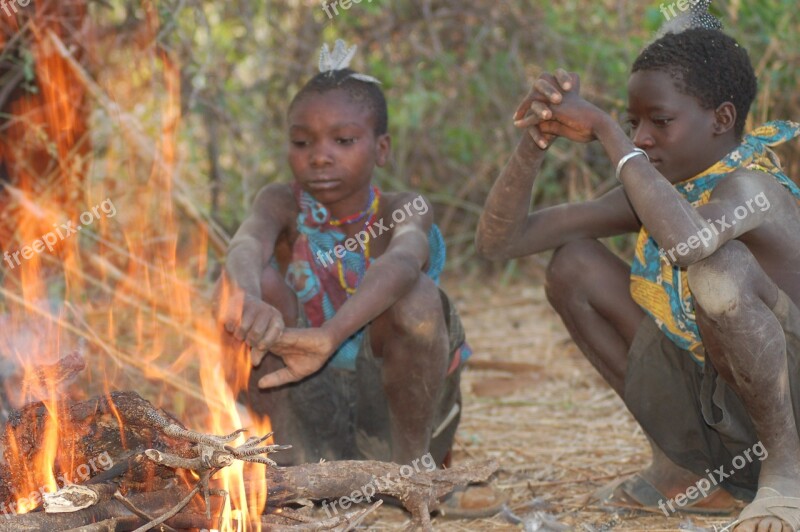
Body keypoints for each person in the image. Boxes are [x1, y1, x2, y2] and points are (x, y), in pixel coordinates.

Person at [475, 16, 800, 532]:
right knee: (574, 264)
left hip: (791, 410)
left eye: (660, 122)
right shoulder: (661, 194)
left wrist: (605, 130)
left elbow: (689, 243)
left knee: (720, 266)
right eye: (632, 124)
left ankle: (787, 477)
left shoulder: (752, 189)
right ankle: (683, 470)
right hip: (729, 413)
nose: (642, 138)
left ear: (722, 118)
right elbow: (499, 242)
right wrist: (534, 142)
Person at [214, 40, 471, 471]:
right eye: (302, 142)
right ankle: (294, 470)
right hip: (306, 404)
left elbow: (403, 262)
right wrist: (246, 297)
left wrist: (330, 335)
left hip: (393, 413)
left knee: (417, 298)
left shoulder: (403, 208)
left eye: (343, 140)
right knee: (238, 290)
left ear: (381, 149)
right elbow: (245, 245)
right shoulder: (280, 203)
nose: (319, 157)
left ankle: (409, 477)